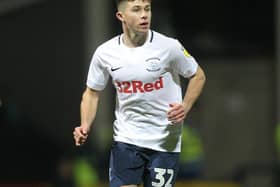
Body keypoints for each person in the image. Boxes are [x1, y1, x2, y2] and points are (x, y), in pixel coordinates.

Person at [73, 0, 206, 186]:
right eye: (136, 10)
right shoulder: (105, 53)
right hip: (126, 140)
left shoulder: (169, 47)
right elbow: (92, 92)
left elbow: (198, 75)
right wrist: (85, 124)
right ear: (121, 16)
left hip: (164, 143)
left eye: (147, 9)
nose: (144, 15)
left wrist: (185, 105)